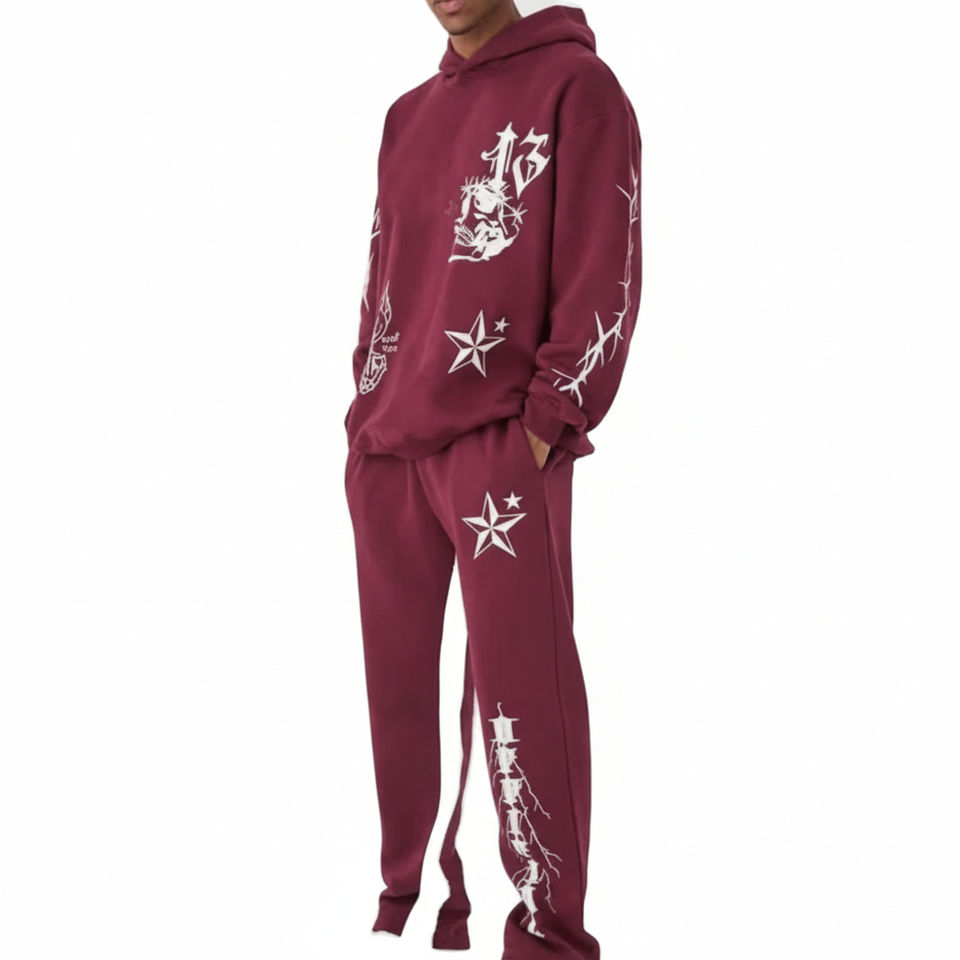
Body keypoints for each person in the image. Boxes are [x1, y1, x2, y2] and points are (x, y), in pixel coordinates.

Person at [342, 3, 642, 958]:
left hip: (500, 452)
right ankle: (410, 908)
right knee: (397, 698)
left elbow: (604, 269)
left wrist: (549, 423)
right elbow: (386, 268)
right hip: (389, 450)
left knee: (526, 700)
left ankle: (548, 938)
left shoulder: (578, 90)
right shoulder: (406, 115)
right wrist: (364, 404)